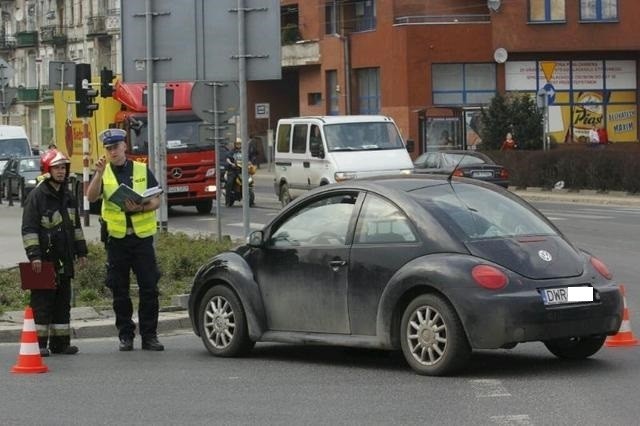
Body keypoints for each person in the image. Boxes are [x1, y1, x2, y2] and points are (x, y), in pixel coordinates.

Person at [86, 128, 164, 352]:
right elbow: (91, 197)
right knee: (119, 290)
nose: (113, 152)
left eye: (116, 147)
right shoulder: (105, 172)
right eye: (109, 148)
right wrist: (98, 174)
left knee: (149, 288)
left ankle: (149, 336)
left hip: (141, 240)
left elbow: (156, 200)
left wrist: (140, 207)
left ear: (124, 147)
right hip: (117, 240)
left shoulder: (140, 169)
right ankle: (126, 335)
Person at [21, 149, 88, 357]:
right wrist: (35, 256)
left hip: (64, 259)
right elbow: (29, 229)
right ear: (47, 170)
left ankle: (61, 343)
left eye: (63, 168)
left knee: (62, 303)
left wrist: (81, 252)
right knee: (42, 303)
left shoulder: (67, 195)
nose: (61, 171)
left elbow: (76, 227)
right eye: (57, 168)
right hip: (44, 261)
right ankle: (39, 344)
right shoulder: (37, 196)